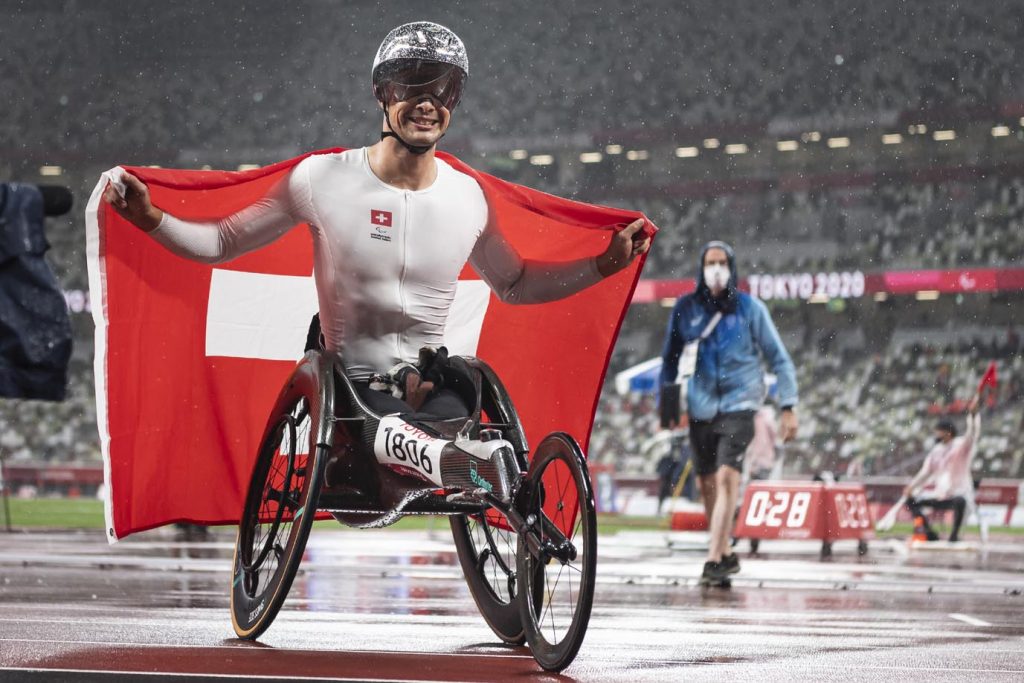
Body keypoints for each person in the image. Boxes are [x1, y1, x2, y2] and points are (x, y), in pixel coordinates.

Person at [103, 21, 649, 422]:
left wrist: (602, 265)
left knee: (459, 411)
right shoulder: (320, 179)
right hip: (350, 390)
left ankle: (468, 465)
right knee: (404, 425)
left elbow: (516, 283)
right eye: (413, 84)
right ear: (383, 93)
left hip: (433, 386)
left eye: (444, 89)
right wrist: (151, 218)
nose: (429, 102)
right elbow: (222, 241)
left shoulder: (470, 198)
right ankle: (451, 459)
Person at [659, 241, 798, 587]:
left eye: (722, 262)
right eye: (710, 263)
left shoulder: (750, 309)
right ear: (701, 268)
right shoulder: (687, 308)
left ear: (732, 267)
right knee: (706, 483)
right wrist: (668, 404)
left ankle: (712, 558)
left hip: (740, 404)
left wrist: (788, 406)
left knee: (726, 478)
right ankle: (724, 553)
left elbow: (779, 359)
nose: (716, 269)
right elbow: (670, 358)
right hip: (701, 406)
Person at [903, 397, 980, 543]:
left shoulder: (960, 445)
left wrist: (973, 416)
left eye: (939, 431)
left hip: (959, 494)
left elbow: (972, 435)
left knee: (960, 501)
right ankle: (930, 533)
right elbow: (925, 472)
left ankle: (954, 536)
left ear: (948, 433)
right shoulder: (936, 451)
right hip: (940, 495)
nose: (936, 434)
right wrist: (911, 487)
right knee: (911, 501)